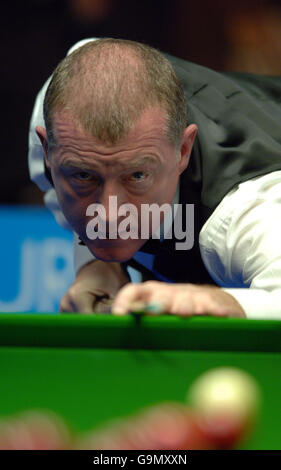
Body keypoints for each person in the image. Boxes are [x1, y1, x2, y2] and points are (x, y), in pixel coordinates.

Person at [29, 38, 281, 319]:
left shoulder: (249, 212)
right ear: (48, 150)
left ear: (182, 151)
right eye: (85, 176)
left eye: (137, 176)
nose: (110, 216)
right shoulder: (61, 119)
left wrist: (209, 299)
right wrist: (96, 265)